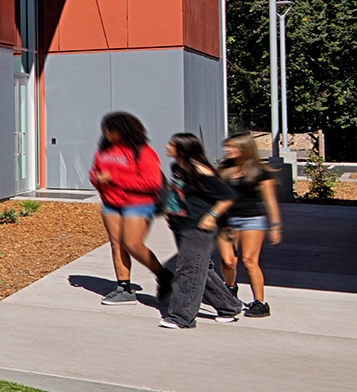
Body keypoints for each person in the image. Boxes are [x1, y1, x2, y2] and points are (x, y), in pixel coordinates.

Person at [160, 132, 245, 330]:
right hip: (181, 225)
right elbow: (178, 192)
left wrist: (212, 216)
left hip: (197, 228)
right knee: (200, 268)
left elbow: (228, 196)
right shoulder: (177, 167)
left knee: (188, 270)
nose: (167, 146)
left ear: (182, 149)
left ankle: (182, 317)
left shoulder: (201, 171)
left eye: (171, 144)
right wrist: (169, 210)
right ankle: (229, 306)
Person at [88, 112, 167, 305]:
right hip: (110, 204)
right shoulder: (103, 151)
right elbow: (95, 173)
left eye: (110, 130)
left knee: (132, 244)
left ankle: (164, 276)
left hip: (138, 205)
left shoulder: (143, 151)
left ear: (123, 130)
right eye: (105, 130)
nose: (106, 133)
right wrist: (97, 179)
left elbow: (152, 182)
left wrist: (114, 179)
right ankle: (124, 288)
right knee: (116, 245)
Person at [216, 133, 282, 317]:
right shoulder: (223, 170)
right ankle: (230, 288)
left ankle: (260, 303)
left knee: (248, 261)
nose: (228, 150)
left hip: (251, 219)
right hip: (226, 221)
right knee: (228, 261)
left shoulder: (259, 172)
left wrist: (275, 226)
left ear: (244, 149)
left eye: (233, 147)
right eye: (227, 147)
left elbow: (270, 201)